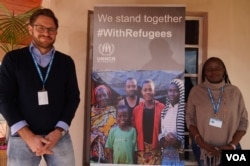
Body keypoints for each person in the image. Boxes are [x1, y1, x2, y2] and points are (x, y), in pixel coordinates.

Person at [0, 8, 80, 166]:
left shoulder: (66, 62)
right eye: (41, 28)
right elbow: (3, 98)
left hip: (58, 138)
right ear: (31, 28)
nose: (46, 33)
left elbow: (73, 98)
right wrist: (28, 136)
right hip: (22, 138)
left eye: (51, 29)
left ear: (56, 32)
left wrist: (58, 132)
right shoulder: (13, 59)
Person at [186, 57, 248, 166]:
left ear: (224, 70)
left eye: (218, 68)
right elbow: (189, 119)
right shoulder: (196, 91)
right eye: (209, 69)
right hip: (203, 149)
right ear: (204, 72)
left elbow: (243, 121)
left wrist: (232, 146)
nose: (213, 71)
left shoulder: (235, 92)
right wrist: (201, 143)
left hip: (231, 148)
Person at [132, 79, 165, 165]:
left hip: (156, 149)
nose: (148, 92)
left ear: (154, 91)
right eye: (145, 90)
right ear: (141, 92)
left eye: (150, 89)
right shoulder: (136, 110)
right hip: (142, 149)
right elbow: (135, 129)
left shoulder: (162, 108)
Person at [159, 79, 185, 166]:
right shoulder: (164, 111)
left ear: (181, 92)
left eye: (176, 91)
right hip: (166, 156)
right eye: (170, 91)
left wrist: (176, 142)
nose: (172, 94)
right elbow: (161, 132)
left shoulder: (184, 111)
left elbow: (188, 135)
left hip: (180, 157)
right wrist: (163, 140)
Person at [90, 84, 116, 163]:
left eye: (104, 95)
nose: (102, 98)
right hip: (95, 148)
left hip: (111, 147)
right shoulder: (91, 113)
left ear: (108, 96)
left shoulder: (113, 110)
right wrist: (96, 135)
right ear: (96, 98)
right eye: (99, 96)